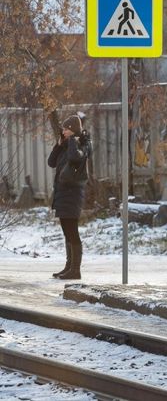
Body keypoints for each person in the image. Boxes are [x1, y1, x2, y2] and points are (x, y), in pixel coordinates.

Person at [48, 114, 92, 280]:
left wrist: (72, 140)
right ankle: (69, 267)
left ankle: (76, 270)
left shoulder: (83, 144)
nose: (64, 131)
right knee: (67, 231)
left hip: (73, 193)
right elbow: (51, 162)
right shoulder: (66, 145)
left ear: (73, 130)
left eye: (66, 129)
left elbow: (75, 157)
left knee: (72, 231)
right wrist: (58, 145)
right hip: (62, 192)